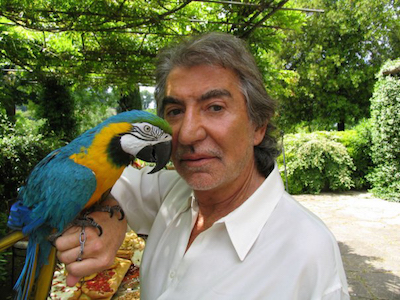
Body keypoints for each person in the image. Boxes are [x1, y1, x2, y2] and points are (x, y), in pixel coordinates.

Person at [56, 32, 349, 299]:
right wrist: (113, 216)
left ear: (258, 125)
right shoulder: (171, 192)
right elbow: (98, 180)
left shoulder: (309, 252)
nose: (187, 133)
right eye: (175, 111)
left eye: (215, 107)